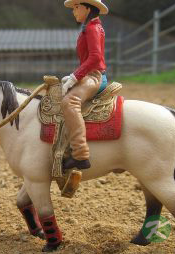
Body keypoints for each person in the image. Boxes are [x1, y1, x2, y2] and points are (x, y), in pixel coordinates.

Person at [62, 0, 108, 170]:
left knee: (70, 102)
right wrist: (74, 75)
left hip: (94, 76)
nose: (74, 11)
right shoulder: (92, 26)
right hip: (89, 74)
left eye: (76, 7)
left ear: (87, 8)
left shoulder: (91, 28)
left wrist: (75, 77)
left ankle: (80, 154)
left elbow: (95, 57)